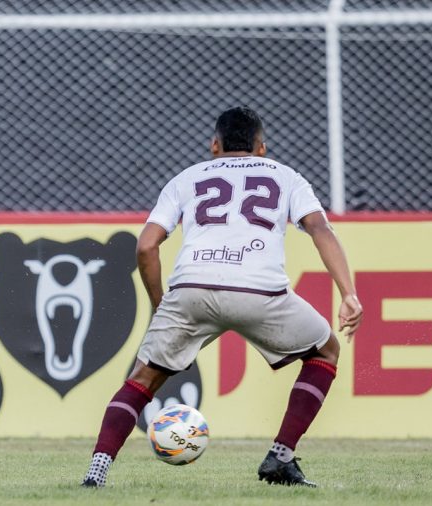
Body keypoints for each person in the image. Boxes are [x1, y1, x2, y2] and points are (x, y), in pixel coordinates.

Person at [82, 106, 362, 488]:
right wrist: (348, 293)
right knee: (326, 351)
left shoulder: (186, 178)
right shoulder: (286, 176)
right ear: (262, 148)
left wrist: (159, 303)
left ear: (214, 145)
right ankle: (280, 456)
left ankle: (95, 474)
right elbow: (320, 229)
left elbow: (146, 246)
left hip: (191, 288)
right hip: (259, 290)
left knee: (141, 381)